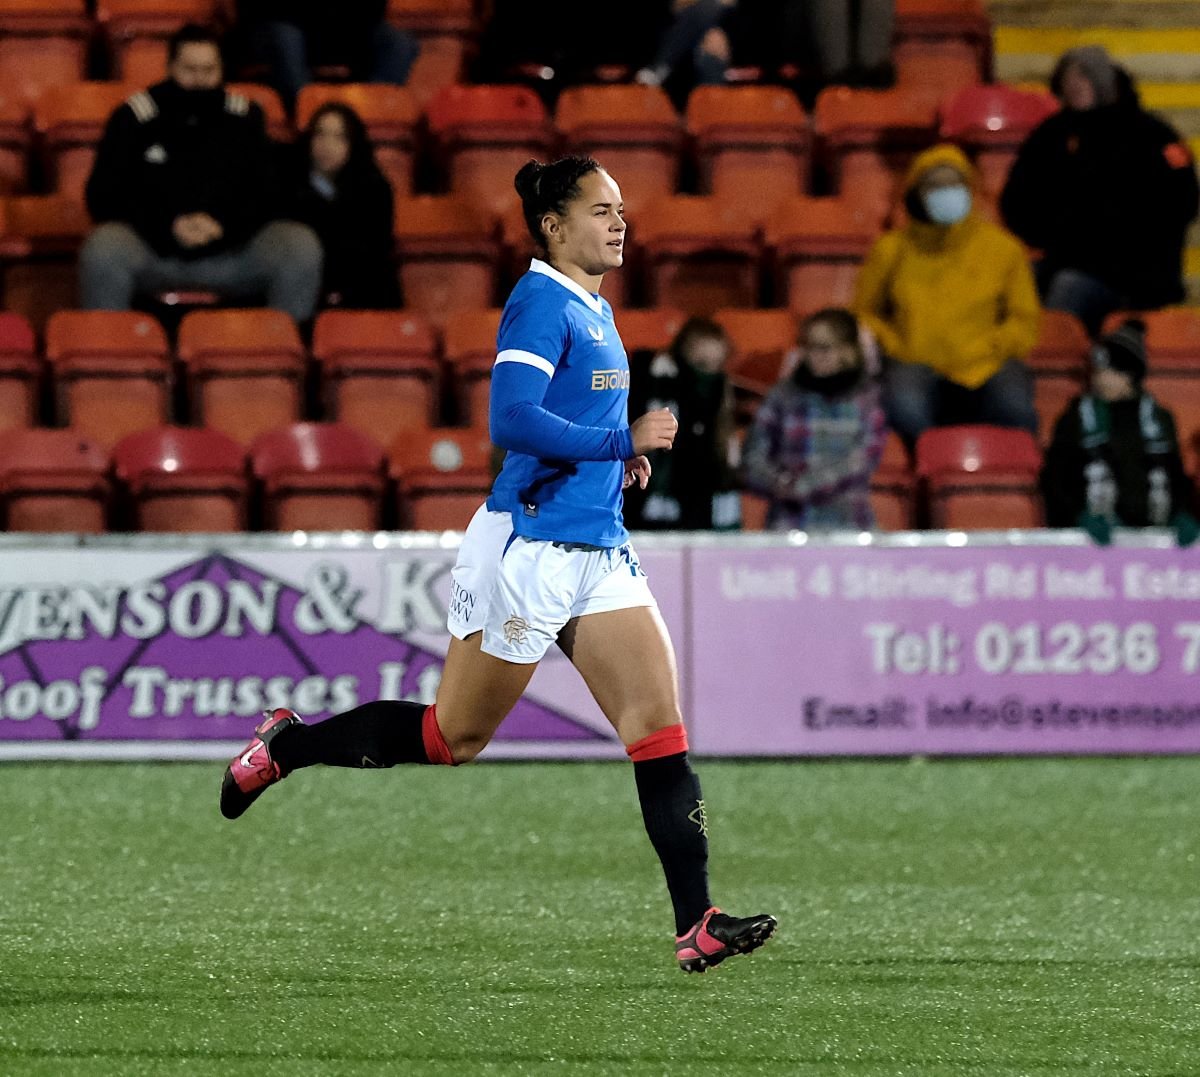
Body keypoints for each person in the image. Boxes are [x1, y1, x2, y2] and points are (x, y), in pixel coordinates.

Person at [219, 155, 777, 974]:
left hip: (599, 548)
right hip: (530, 548)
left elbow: (567, 416)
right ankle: (290, 745)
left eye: (621, 208)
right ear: (553, 225)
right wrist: (624, 439)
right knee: (453, 736)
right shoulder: (538, 301)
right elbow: (513, 419)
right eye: (601, 209)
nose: (619, 222)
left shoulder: (592, 304)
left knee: (659, 732)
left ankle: (696, 921)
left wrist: (609, 464)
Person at [80, 24, 322, 324]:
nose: (199, 80)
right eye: (190, 69)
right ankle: (105, 358)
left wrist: (223, 225)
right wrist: (168, 224)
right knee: (103, 248)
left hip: (233, 251)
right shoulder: (135, 118)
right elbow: (104, 195)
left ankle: (280, 356)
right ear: (170, 68)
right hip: (155, 250)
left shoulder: (245, 118)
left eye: (209, 70)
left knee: (299, 246)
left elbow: (267, 192)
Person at [1000, 46, 1200, 337]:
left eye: (1085, 77)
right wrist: (1058, 235)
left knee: (1067, 289)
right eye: (1069, 78)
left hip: (1136, 275)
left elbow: (1181, 203)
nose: (1076, 85)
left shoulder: (1152, 135)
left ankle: (1053, 366)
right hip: (1064, 260)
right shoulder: (1051, 135)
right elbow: (1017, 200)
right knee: (1011, 280)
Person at [855, 143, 1040, 445]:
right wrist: (894, 344)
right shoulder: (890, 249)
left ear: (970, 189)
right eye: (935, 185)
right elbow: (863, 312)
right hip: (913, 359)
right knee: (904, 407)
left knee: (1015, 409)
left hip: (986, 360)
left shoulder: (1004, 249)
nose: (946, 192)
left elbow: (1025, 319)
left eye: (954, 183)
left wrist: (992, 345)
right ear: (918, 193)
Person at [1040, 318, 1200, 546]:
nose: (1101, 379)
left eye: (1111, 371)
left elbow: (1174, 477)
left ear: (1131, 376)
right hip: (1093, 545)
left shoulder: (1159, 419)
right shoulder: (1076, 418)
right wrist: (1075, 518)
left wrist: (1183, 514)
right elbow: (1055, 480)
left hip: (1155, 543)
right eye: (1098, 371)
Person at [741, 308, 886, 530]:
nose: (813, 356)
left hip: (849, 528)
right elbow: (754, 456)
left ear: (848, 350)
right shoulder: (783, 396)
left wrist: (806, 486)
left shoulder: (867, 400)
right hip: (788, 528)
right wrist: (780, 484)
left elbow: (862, 459)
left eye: (824, 348)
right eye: (808, 347)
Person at [623, 317, 740, 530]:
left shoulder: (721, 393)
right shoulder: (649, 386)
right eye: (702, 363)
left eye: (717, 364)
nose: (709, 373)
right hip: (647, 509)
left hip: (703, 510)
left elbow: (724, 461)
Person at [285, 102, 400, 310]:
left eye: (339, 137)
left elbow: (375, 253)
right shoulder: (289, 185)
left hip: (364, 295)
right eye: (320, 135)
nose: (327, 145)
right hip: (308, 296)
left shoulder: (375, 189)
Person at [238, 1, 419, 113]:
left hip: (338, 30)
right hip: (280, 26)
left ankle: (362, 123)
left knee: (399, 44)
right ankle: (312, 121)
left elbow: (373, 12)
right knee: (287, 38)